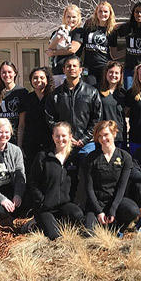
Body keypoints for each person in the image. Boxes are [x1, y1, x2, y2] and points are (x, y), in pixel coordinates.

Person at [45, 55, 102, 203]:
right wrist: (66, 138)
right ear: (64, 69)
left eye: (74, 66)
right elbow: (50, 118)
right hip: (64, 143)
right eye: (68, 66)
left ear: (80, 70)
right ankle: (65, 208)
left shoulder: (92, 92)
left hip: (86, 143)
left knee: (89, 178)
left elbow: (97, 119)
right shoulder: (55, 95)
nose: (71, 69)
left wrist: (84, 139)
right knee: (65, 178)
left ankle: (89, 210)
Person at [81, 120, 140, 236]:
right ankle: (104, 223)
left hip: (116, 201)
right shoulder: (91, 158)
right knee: (89, 234)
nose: (103, 139)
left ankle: (119, 227)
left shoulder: (125, 157)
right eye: (100, 136)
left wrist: (112, 210)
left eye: (106, 135)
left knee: (133, 210)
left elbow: (122, 187)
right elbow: (89, 188)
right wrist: (99, 211)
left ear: (114, 134)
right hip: (97, 202)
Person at [27, 122, 85, 240]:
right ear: (53, 137)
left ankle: (54, 222)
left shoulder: (74, 158)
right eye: (57, 136)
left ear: (70, 137)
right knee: (55, 237)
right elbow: (32, 182)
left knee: (78, 215)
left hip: (64, 205)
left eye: (64, 135)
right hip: (45, 208)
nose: (60, 139)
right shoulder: (43, 157)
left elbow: (77, 183)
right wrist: (41, 200)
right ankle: (37, 222)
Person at [18, 67, 54, 175]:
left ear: (47, 80)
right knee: (31, 173)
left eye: (42, 78)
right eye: (35, 78)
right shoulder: (26, 98)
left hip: (50, 142)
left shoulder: (53, 97)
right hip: (31, 143)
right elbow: (21, 124)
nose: (38, 80)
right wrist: (19, 146)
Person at [109, 1, 141, 89]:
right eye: (137, 12)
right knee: (129, 93)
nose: (139, 15)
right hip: (129, 68)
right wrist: (115, 50)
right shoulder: (128, 27)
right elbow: (112, 31)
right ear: (133, 13)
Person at [0, 61, 27, 146]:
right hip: (0, 135)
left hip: (16, 135)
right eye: (3, 72)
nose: (6, 75)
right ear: (0, 74)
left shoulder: (22, 92)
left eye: (9, 72)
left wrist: (19, 144)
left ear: (15, 73)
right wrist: (1, 120)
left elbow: (22, 122)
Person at [82, 1, 118, 86]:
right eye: (100, 11)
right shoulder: (88, 26)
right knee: (89, 92)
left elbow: (114, 54)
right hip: (88, 68)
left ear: (110, 13)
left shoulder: (112, 30)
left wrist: (127, 50)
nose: (103, 14)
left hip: (104, 68)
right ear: (96, 13)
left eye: (105, 11)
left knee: (103, 94)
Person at [47, 4, 84, 87]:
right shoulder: (57, 32)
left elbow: (73, 50)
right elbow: (49, 50)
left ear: (78, 17)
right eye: (68, 17)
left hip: (71, 72)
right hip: (56, 72)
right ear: (64, 17)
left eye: (74, 17)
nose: (71, 19)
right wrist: (58, 37)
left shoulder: (79, 32)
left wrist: (54, 52)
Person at [99, 61, 127, 148]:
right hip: (103, 135)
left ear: (121, 75)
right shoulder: (96, 91)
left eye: (116, 73)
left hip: (119, 136)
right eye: (111, 72)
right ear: (106, 73)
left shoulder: (123, 94)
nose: (113, 75)